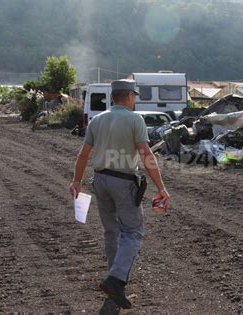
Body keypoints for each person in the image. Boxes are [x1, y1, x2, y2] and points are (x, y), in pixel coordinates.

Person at [69, 79, 170, 309]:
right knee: (133, 232)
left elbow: (84, 154)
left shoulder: (97, 119)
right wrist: (161, 188)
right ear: (129, 96)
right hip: (123, 182)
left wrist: (76, 181)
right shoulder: (135, 119)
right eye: (134, 97)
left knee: (111, 231)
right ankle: (116, 280)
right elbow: (146, 155)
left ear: (112, 96)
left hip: (101, 180)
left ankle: (114, 279)